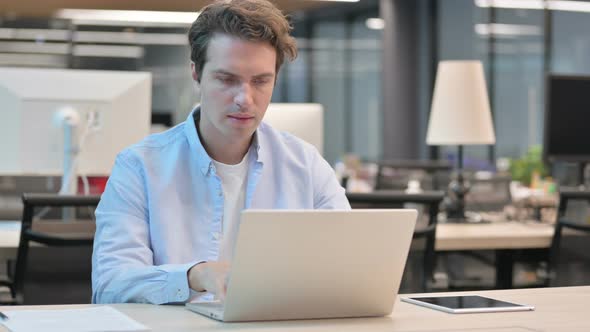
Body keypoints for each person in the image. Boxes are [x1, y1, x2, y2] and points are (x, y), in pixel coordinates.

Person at [92, 0, 350, 304]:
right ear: (196, 73)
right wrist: (193, 276)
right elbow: (111, 285)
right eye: (227, 79)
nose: (245, 98)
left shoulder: (306, 164)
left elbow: (347, 268)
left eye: (261, 81)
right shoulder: (139, 166)